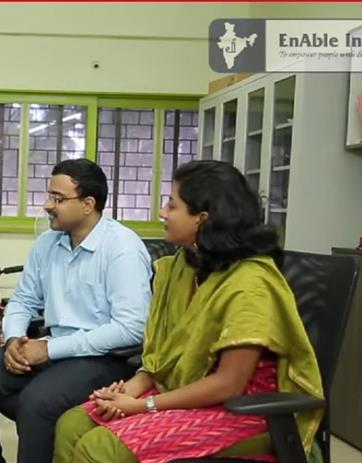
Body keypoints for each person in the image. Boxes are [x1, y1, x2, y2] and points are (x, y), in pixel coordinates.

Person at [53, 160, 324, 463]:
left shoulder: (251, 283)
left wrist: (144, 405)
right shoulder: (183, 267)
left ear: (202, 219)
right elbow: (164, 358)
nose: (162, 213)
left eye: (172, 205)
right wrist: (129, 390)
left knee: (101, 448)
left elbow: (228, 383)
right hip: (183, 390)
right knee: (72, 425)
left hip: (243, 410)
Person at [0, 159, 152, 463]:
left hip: (103, 357)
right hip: (52, 347)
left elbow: (131, 327)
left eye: (58, 199)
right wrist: (14, 341)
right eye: (49, 196)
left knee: (37, 402)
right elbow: (22, 299)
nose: (47, 205)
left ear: (88, 204)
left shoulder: (122, 247)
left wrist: (49, 349)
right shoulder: (48, 243)